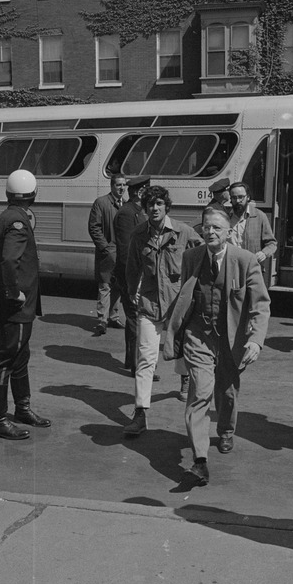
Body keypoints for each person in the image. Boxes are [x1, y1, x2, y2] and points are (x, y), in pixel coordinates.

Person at [163, 207, 271, 484]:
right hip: (199, 336)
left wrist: (255, 341)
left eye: (216, 228)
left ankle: (225, 431)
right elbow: (186, 296)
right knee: (200, 392)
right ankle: (200, 460)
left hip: (232, 339)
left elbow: (260, 305)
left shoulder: (245, 261)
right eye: (206, 227)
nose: (210, 232)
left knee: (227, 392)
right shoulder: (192, 257)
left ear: (228, 232)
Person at [124, 186, 202, 435]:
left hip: (179, 305)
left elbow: (205, 255)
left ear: (167, 206)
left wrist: (197, 290)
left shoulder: (183, 231)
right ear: (144, 208)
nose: (154, 209)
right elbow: (131, 269)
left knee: (186, 357)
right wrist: (131, 296)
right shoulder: (138, 235)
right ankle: (140, 413)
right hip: (149, 304)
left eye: (159, 204)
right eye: (150, 205)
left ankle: (190, 398)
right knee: (146, 359)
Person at [0, 169, 52, 439]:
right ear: (33, 194)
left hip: (12, 307)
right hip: (15, 307)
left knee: (20, 358)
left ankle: (22, 408)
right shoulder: (18, 222)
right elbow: (9, 261)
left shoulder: (4, 217)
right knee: (7, 359)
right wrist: (15, 293)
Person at [113, 175, 151, 377]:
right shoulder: (127, 213)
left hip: (137, 273)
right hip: (132, 275)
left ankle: (130, 359)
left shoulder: (137, 211)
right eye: (146, 191)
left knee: (133, 318)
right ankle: (140, 367)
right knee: (138, 319)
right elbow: (126, 250)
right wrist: (135, 279)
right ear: (139, 192)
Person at [88, 173, 127, 335]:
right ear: (112, 186)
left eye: (124, 185)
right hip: (108, 253)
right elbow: (94, 227)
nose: (122, 188)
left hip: (122, 253)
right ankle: (102, 320)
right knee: (105, 286)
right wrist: (105, 247)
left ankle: (114, 316)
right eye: (118, 185)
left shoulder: (125, 205)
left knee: (118, 286)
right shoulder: (101, 203)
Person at [228, 181, 278, 267]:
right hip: (230, 267)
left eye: (241, 197)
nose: (237, 201)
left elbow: (272, 243)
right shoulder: (225, 218)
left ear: (248, 197)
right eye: (234, 198)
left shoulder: (259, 216)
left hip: (251, 267)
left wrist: (264, 253)